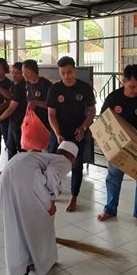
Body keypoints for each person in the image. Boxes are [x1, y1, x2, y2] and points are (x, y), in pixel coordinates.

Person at [0, 141, 79, 275]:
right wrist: (52, 200)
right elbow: (53, 174)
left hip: (7, 179)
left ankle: (34, 264)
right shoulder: (64, 161)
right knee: (35, 228)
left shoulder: (43, 156)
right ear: (73, 158)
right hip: (26, 184)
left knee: (16, 229)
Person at [97, 64, 137, 228]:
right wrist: (106, 147)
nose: (136, 90)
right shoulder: (113, 98)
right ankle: (110, 209)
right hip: (118, 148)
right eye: (132, 86)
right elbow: (103, 123)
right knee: (113, 178)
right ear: (123, 81)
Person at [47, 56, 96, 212]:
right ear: (59, 72)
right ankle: (52, 194)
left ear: (75, 70)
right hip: (59, 133)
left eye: (69, 72)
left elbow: (91, 111)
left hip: (78, 133)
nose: (66, 76)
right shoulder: (55, 89)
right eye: (63, 73)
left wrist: (83, 127)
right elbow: (51, 114)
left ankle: (74, 196)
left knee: (76, 165)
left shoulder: (85, 88)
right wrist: (57, 133)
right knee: (52, 165)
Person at [0, 62, 27, 159]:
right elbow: (10, 99)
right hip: (12, 121)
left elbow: (11, 109)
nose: (14, 74)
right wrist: (0, 107)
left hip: (20, 121)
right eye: (13, 72)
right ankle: (10, 170)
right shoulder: (14, 83)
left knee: (21, 148)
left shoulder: (21, 87)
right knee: (10, 146)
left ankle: (22, 170)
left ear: (23, 73)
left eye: (17, 72)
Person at [22, 59, 53, 149]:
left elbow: (51, 104)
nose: (22, 74)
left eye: (23, 72)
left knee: (45, 149)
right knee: (34, 149)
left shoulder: (45, 84)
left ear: (29, 72)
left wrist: (36, 102)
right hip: (33, 123)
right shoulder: (28, 84)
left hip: (45, 124)